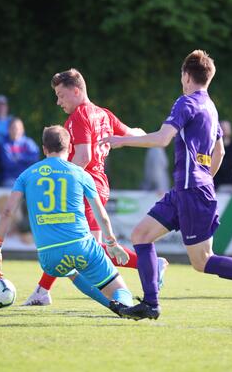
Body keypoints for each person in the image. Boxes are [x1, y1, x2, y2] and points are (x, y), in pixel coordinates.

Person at [100, 50, 232, 320]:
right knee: (141, 235)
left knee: (203, 260)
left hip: (192, 191)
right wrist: (204, 177)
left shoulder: (186, 103)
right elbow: (218, 152)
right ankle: (150, 304)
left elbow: (163, 139)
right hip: (187, 189)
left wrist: (122, 140)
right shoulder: (211, 107)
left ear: (186, 76)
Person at [22, 68, 168, 307]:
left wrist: (64, 184)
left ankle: (150, 264)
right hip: (98, 185)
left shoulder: (80, 115)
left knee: (84, 248)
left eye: (60, 95)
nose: (58, 101)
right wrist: (154, 137)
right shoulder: (104, 114)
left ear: (76, 90)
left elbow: (83, 157)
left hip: (83, 188)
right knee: (77, 245)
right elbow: (132, 133)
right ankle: (42, 290)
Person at [0, 125, 134, 315]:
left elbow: (7, 212)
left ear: (44, 149)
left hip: (48, 256)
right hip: (82, 246)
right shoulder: (81, 174)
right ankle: (124, 305)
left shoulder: (27, 175)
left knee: (71, 271)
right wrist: (111, 242)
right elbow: (101, 214)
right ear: (70, 146)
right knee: (120, 290)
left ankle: (112, 306)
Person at [0, 118, 40, 187]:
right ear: (8, 129)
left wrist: (19, 157)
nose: (16, 131)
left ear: (22, 130)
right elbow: (8, 164)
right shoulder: (4, 144)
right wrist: (26, 160)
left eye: (18, 128)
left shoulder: (28, 142)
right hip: (10, 178)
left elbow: (35, 158)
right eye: (13, 128)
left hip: (27, 177)